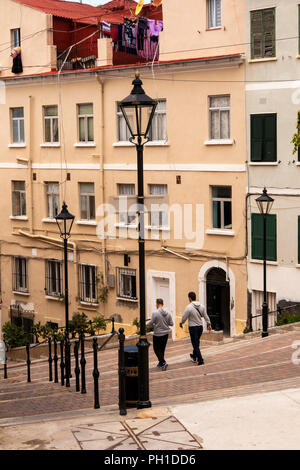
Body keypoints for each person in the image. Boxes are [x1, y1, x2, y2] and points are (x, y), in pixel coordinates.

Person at [180, 292, 212, 365]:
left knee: (195, 344)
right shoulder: (202, 306)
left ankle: (200, 360)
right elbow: (206, 316)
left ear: (190, 298)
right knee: (197, 342)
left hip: (193, 328)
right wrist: (208, 323)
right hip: (200, 327)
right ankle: (194, 356)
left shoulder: (189, 307)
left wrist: (181, 322)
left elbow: (184, 317)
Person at [147, 298, 173, 371]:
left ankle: (163, 362)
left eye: (156, 304)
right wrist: (165, 323)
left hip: (157, 334)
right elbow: (171, 323)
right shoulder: (168, 313)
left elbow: (151, 323)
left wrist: (145, 325)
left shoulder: (155, 313)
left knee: (156, 349)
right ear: (163, 304)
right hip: (165, 334)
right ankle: (160, 362)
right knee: (162, 349)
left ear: (157, 304)